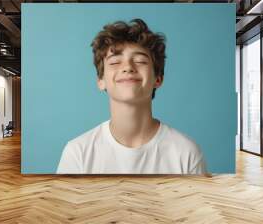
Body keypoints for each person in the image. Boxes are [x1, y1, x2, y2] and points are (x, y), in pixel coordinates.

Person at [57, 18, 207, 174]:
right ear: (101, 81)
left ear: (158, 79)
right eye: (115, 62)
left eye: (140, 61)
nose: (128, 67)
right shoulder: (77, 153)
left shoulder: (186, 153)